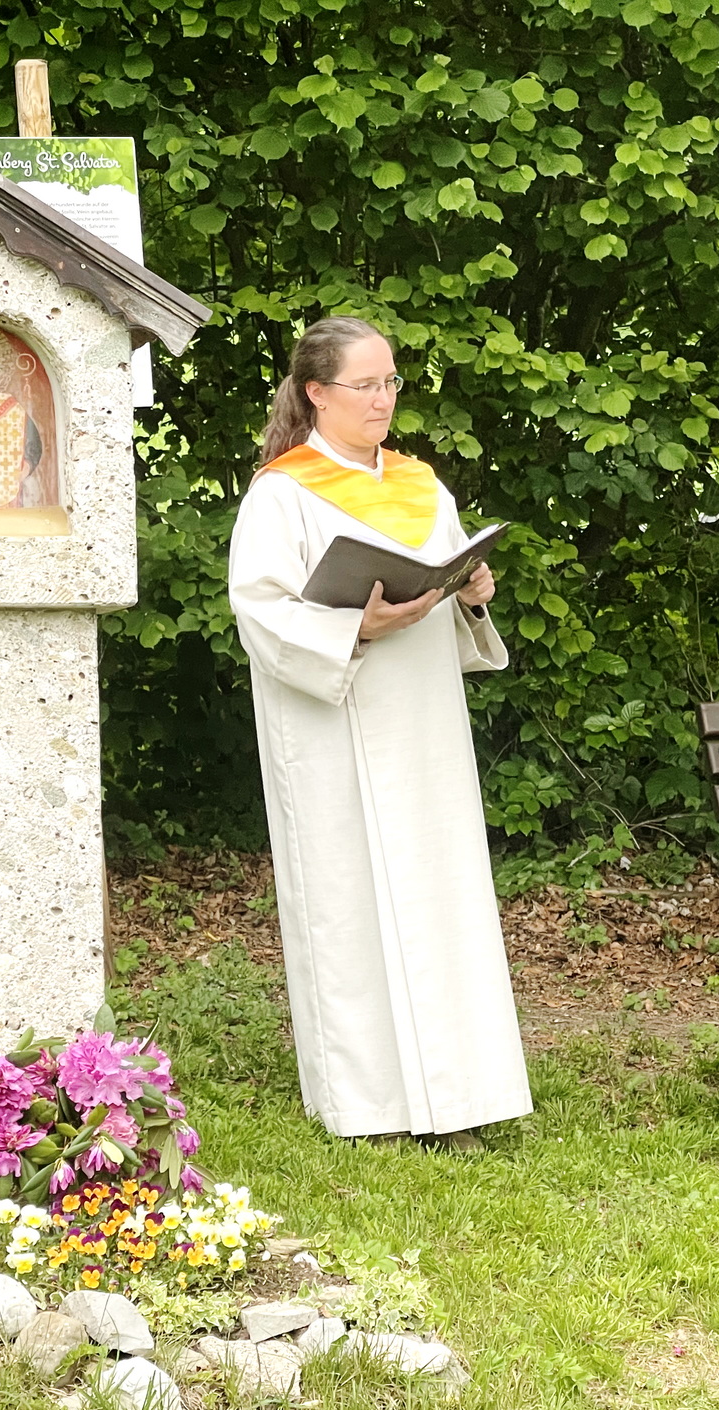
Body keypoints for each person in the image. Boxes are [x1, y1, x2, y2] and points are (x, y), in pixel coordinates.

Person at [229, 316, 532, 1148]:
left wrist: (472, 592)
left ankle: (459, 1099)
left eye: (391, 382)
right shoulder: (282, 493)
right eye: (365, 385)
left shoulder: (421, 485)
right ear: (316, 393)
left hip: (423, 721)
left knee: (441, 897)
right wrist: (354, 627)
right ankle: (371, 1107)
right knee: (350, 905)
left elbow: (449, 580)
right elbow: (260, 611)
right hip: (335, 724)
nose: (383, 399)